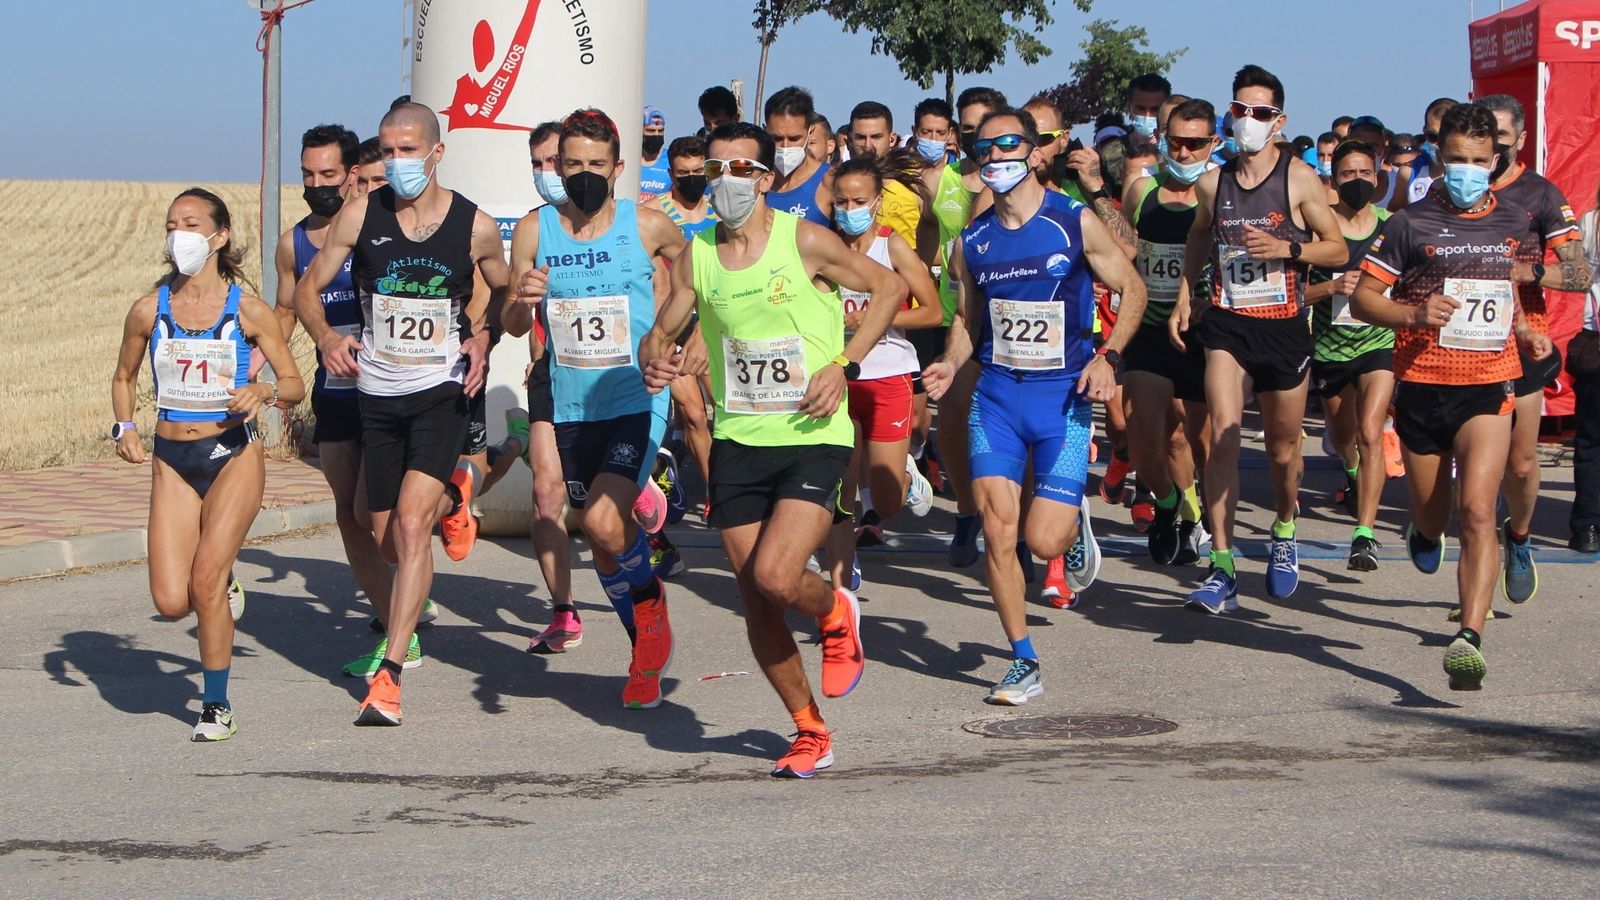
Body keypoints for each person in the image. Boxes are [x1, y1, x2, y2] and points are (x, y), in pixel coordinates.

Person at [640, 122, 906, 777]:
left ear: (763, 178)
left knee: (778, 577)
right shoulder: (698, 257)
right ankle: (810, 729)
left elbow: (892, 290)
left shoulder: (804, 239)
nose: (724, 181)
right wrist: (655, 359)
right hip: (738, 442)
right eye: (714, 170)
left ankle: (837, 609)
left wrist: (844, 363)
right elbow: (664, 326)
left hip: (813, 437)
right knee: (758, 602)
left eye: (739, 169)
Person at [294, 102, 511, 726]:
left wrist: (483, 336)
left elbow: (502, 288)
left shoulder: (475, 225)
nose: (397, 163)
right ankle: (458, 490)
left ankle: (390, 673)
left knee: (412, 530)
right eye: (388, 152)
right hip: (377, 395)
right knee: (381, 528)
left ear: (436, 154)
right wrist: (330, 341)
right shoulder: (363, 214)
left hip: (441, 391)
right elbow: (310, 289)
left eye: (409, 151)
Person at [924, 107, 1147, 705]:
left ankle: (1071, 520)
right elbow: (968, 320)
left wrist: (1109, 357)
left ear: (1034, 150)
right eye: (984, 149)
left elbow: (1134, 288)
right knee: (999, 532)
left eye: (1007, 145)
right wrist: (950, 361)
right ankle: (1023, 659)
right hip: (996, 395)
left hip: (1064, 397)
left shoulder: (1071, 221)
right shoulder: (972, 241)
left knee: (1044, 543)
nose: (995, 157)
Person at [1351, 100, 1552, 690]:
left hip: (1489, 385)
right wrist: (1413, 310)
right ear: (1441, 159)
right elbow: (1365, 300)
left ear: (1496, 160)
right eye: (1456, 159)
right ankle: (1422, 528)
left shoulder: (1515, 222)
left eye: (1477, 160)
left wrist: (1524, 333)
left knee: (1478, 511)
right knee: (1435, 515)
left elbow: (1508, 298)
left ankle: (1468, 636)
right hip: (1421, 383)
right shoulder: (1408, 223)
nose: (1466, 169)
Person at [505, 108, 686, 709]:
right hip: (571, 402)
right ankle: (645, 651)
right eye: (572, 164)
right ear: (557, 166)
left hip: (635, 394)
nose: (583, 175)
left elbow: (698, 289)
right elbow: (508, 321)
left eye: (596, 165)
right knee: (603, 539)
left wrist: (680, 349)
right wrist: (521, 299)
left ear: (618, 168)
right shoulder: (534, 231)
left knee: (607, 524)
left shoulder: (650, 227)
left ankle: (651, 607)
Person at [111, 188, 307, 741]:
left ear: (219, 237)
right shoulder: (150, 308)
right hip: (172, 458)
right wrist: (124, 427)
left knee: (204, 582)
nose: (180, 235)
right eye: (173, 224)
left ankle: (216, 705)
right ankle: (223, 585)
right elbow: (123, 377)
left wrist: (264, 390)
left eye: (192, 224)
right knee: (172, 602)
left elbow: (293, 384)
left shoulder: (246, 310)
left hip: (232, 453)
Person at [1171, 65, 1348, 613]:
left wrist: (1287, 250)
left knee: (1281, 449)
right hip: (1227, 323)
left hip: (1285, 328)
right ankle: (1221, 565)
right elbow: (1200, 233)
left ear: (1279, 121)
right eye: (1241, 110)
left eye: (1261, 113)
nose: (1248, 120)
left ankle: (1285, 526)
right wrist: (1185, 291)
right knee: (1222, 434)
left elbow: (1337, 250)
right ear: (1231, 114)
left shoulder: (1299, 179)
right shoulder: (1211, 181)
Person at [1478, 93, 1592, 606]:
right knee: (1468, 459)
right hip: (1459, 340)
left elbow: (1582, 271)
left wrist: (1531, 271)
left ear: (1520, 140)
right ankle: (1466, 560)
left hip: (1524, 335)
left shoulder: (1540, 194)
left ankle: (1519, 539)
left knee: (1521, 465)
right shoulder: (1450, 191)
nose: (1492, 149)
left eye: (1501, 139)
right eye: (1484, 138)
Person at [824, 156, 941, 591]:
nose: (848, 208)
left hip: (888, 374)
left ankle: (907, 478)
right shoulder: (822, 245)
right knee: (841, 482)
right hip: (836, 376)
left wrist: (878, 316)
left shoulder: (891, 247)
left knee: (886, 501)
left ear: (876, 203)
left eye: (858, 200)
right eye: (841, 200)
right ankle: (843, 562)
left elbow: (932, 312)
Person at [1121, 99, 1216, 568]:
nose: (1183, 150)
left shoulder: (1222, 194)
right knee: (1143, 432)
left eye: (1194, 143)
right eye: (1175, 141)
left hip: (1203, 332)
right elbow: (1126, 242)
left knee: (1192, 440)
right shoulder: (1143, 190)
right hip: (1151, 329)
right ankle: (1164, 501)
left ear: (1213, 144)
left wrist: (1206, 298)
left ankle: (1196, 514)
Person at [1304, 140, 1395, 572]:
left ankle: (1365, 534)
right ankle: (1354, 472)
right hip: (1330, 348)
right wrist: (1331, 287)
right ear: (1333, 182)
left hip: (1380, 344)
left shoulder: (1393, 226)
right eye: (1347, 175)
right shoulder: (1321, 233)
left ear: (1377, 179)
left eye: (1365, 174)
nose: (1357, 181)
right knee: (1344, 438)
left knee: (1371, 431)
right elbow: (1291, 293)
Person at [937, 87, 1007, 570]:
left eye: (982, 126)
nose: (972, 134)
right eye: (966, 126)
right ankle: (965, 509)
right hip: (955, 312)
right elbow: (924, 234)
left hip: (1012, 319)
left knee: (1004, 421)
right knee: (954, 417)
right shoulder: (939, 177)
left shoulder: (1008, 182)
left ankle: (1013, 525)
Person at [846, 100, 923, 251]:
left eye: (876, 137)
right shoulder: (835, 184)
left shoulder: (916, 181)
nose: (868, 145)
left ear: (892, 139)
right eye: (861, 137)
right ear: (849, 140)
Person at [1569, 179, 1600, 553]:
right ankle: (1587, 524)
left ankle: (1587, 525)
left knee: (1591, 440)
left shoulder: (1589, 221)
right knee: (1591, 438)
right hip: (1595, 341)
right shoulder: (1589, 221)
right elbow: (1578, 277)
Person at [764, 86, 833, 227]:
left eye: (794, 138)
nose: (785, 146)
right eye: (776, 138)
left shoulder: (830, 180)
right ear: (765, 131)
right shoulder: (755, 181)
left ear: (810, 132)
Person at [1407, 98, 1459, 204]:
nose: (1439, 144)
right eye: (1433, 136)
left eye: (1446, 137)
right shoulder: (1409, 173)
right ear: (1424, 132)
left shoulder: (1472, 175)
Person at [1125, 73, 1172, 147]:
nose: (1147, 116)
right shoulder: (1110, 153)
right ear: (1129, 107)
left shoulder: (1178, 152)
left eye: (1155, 109)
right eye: (1141, 108)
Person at [638, 105, 670, 201]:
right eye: (651, 131)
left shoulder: (671, 159)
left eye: (660, 131)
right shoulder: (629, 159)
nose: (656, 135)